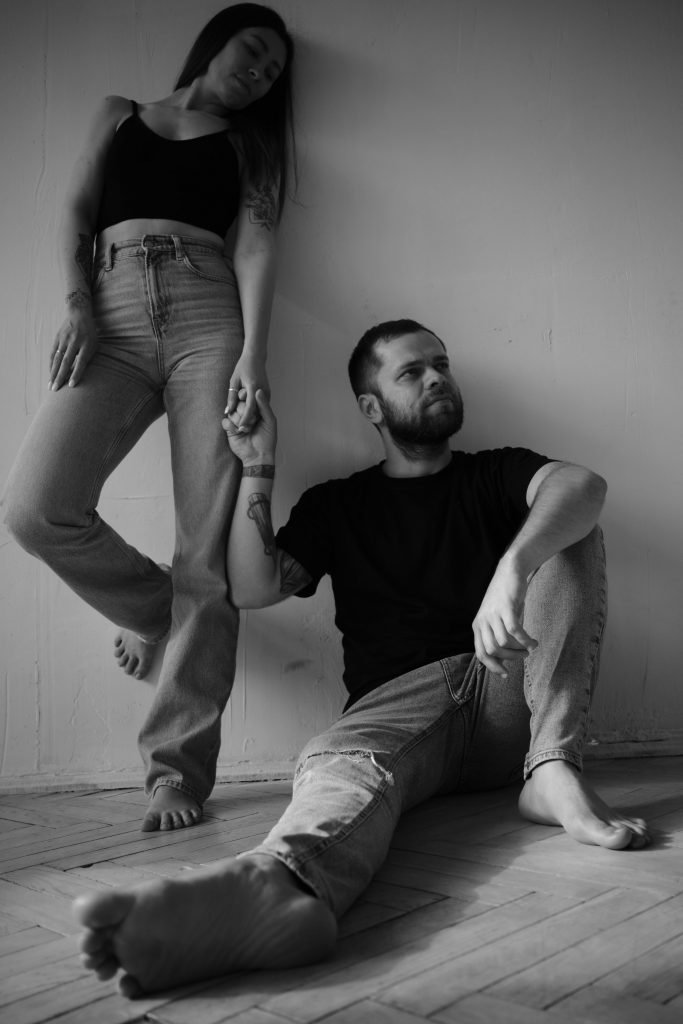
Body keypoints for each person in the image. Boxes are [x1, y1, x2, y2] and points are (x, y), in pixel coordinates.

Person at [72, 318, 650, 996]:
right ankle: (279, 884)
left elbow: (583, 486)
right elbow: (255, 588)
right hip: (397, 709)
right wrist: (259, 462)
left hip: (507, 690)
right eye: (411, 371)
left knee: (570, 527)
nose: (436, 375)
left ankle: (551, 768)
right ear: (371, 408)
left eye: (440, 363)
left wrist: (512, 570)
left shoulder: (494, 473)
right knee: (344, 764)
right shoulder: (338, 504)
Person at [1, 4, 296, 832]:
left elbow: (257, 247)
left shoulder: (253, 145)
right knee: (35, 509)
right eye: (254, 49)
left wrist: (253, 358)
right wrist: (77, 306)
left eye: (275, 69)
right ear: (216, 42)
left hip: (210, 315)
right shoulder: (119, 114)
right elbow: (73, 213)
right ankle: (159, 611)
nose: (261, 70)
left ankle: (175, 774)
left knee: (207, 549)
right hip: (113, 305)